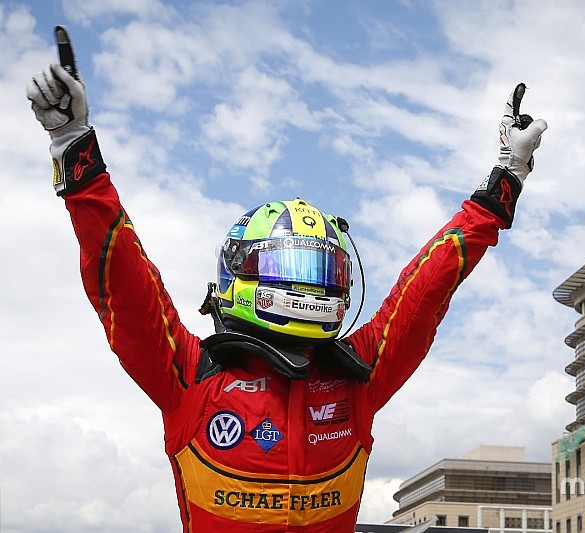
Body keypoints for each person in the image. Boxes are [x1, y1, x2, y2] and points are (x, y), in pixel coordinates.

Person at [27, 34, 547, 532]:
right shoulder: (188, 376)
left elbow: (426, 287)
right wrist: (75, 149)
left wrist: (506, 177)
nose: (312, 287)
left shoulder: (359, 374)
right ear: (240, 274)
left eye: (323, 270)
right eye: (293, 269)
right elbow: (125, 283)